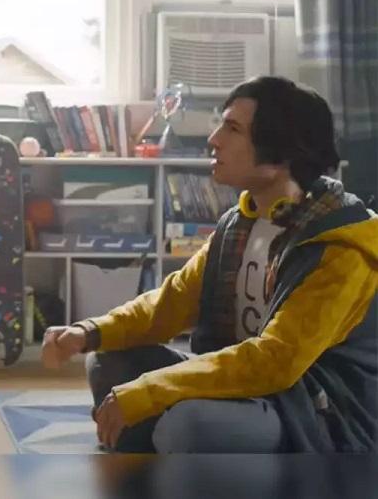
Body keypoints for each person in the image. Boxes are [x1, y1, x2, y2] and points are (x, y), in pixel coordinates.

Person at [42, 76, 377, 453]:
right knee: (107, 361)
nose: (214, 139)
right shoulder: (240, 223)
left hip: (311, 410)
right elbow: (169, 305)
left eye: (232, 129)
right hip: (240, 386)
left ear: (281, 153)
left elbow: (274, 363)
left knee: (187, 426)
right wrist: (88, 332)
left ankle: (179, 449)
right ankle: (167, 457)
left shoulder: (340, 247)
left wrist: (151, 392)